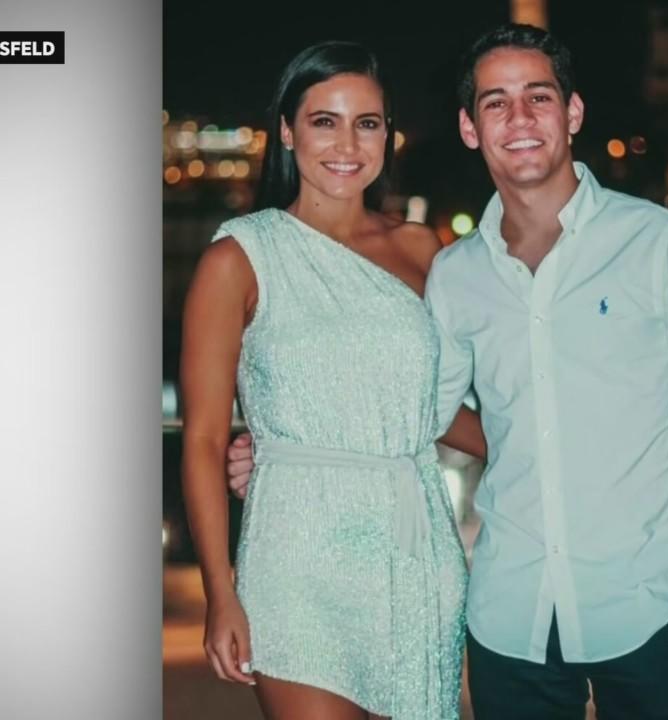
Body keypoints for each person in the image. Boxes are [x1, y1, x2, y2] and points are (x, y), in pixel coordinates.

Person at [230, 23, 668, 720]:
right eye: (495, 103)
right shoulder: (455, 274)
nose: (519, 119)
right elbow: (419, 409)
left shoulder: (662, 243)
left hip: (651, 604)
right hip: (510, 621)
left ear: (572, 113)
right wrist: (288, 450)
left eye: (538, 97)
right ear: (469, 127)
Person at [181, 40, 483, 720]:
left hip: (417, 557)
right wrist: (220, 592)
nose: (347, 144)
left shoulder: (421, 249)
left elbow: (436, 408)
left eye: (366, 123)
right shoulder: (239, 258)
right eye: (325, 121)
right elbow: (202, 439)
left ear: (387, 135)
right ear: (287, 132)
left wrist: (537, 452)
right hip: (298, 560)